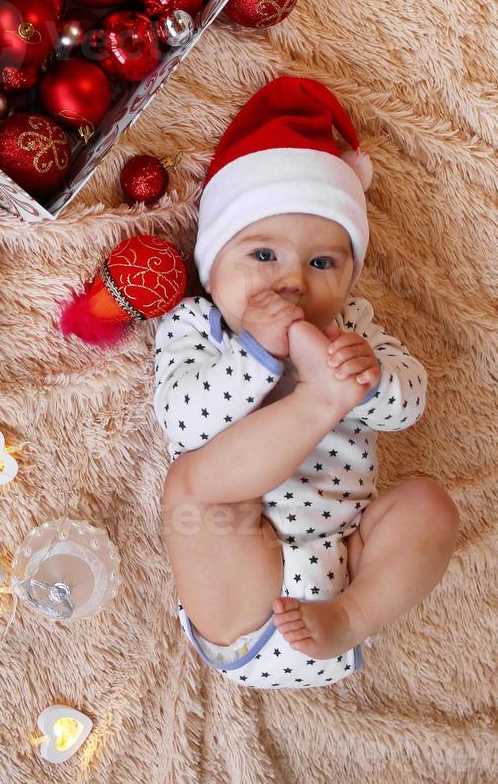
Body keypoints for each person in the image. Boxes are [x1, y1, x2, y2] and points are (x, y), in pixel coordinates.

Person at [153, 75, 459, 689]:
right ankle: (317, 404)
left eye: (322, 263)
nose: (291, 281)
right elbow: (184, 419)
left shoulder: (354, 329)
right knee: (194, 489)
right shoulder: (197, 325)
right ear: (212, 270)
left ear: (348, 283)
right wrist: (254, 357)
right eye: (262, 256)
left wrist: (370, 381)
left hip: (344, 564)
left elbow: (410, 404)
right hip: (241, 588)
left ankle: (358, 614)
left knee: (429, 505)